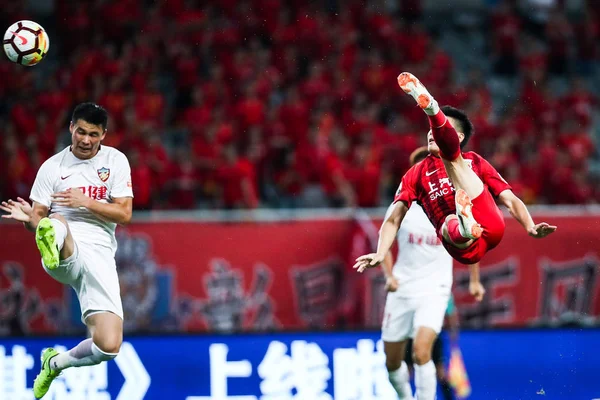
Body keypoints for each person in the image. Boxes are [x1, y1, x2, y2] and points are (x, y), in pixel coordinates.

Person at [354, 72, 556, 271]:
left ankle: (432, 110)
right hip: (461, 243)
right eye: (431, 129)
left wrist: (530, 226)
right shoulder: (414, 175)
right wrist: (381, 252)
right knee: (449, 219)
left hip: (488, 220)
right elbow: (394, 218)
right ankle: (464, 226)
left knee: (454, 161)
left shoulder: (474, 160)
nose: (432, 134)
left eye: (439, 129)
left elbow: (510, 199)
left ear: (457, 136)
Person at [0, 103, 133, 399]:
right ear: (71, 128)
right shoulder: (52, 168)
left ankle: (54, 363)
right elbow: (37, 217)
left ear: (103, 135)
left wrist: (84, 201)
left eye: (93, 134)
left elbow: (124, 214)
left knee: (108, 345)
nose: (86, 140)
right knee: (55, 222)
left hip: (99, 254)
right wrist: (31, 221)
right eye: (81, 132)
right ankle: (52, 240)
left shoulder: (115, 161)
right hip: (63, 252)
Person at [381, 146, 484, 400]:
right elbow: (385, 242)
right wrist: (389, 276)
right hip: (402, 288)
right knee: (392, 364)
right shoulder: (401, 208)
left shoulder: (450, 207)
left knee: (421, 351)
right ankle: (405, 396)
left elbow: (471, 243)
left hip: (435, 291)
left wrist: (474, 281)